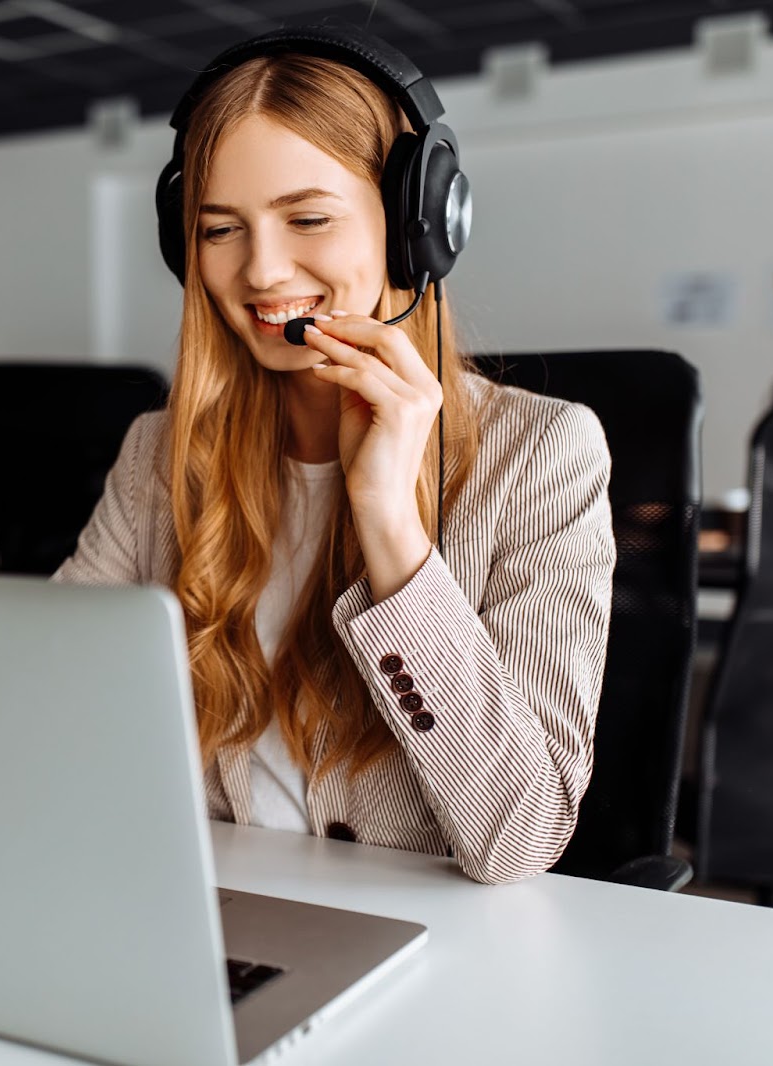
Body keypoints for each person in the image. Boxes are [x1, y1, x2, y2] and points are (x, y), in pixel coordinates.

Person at [54, 26, 614, 885]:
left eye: (308, 218)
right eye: (219, 230)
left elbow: (521, 837)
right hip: (202, 916)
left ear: (414, 227)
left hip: (423, 944)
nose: (261, 271)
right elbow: (46, 706)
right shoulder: (159, 454)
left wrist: (390, 523)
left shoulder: (541, 456)